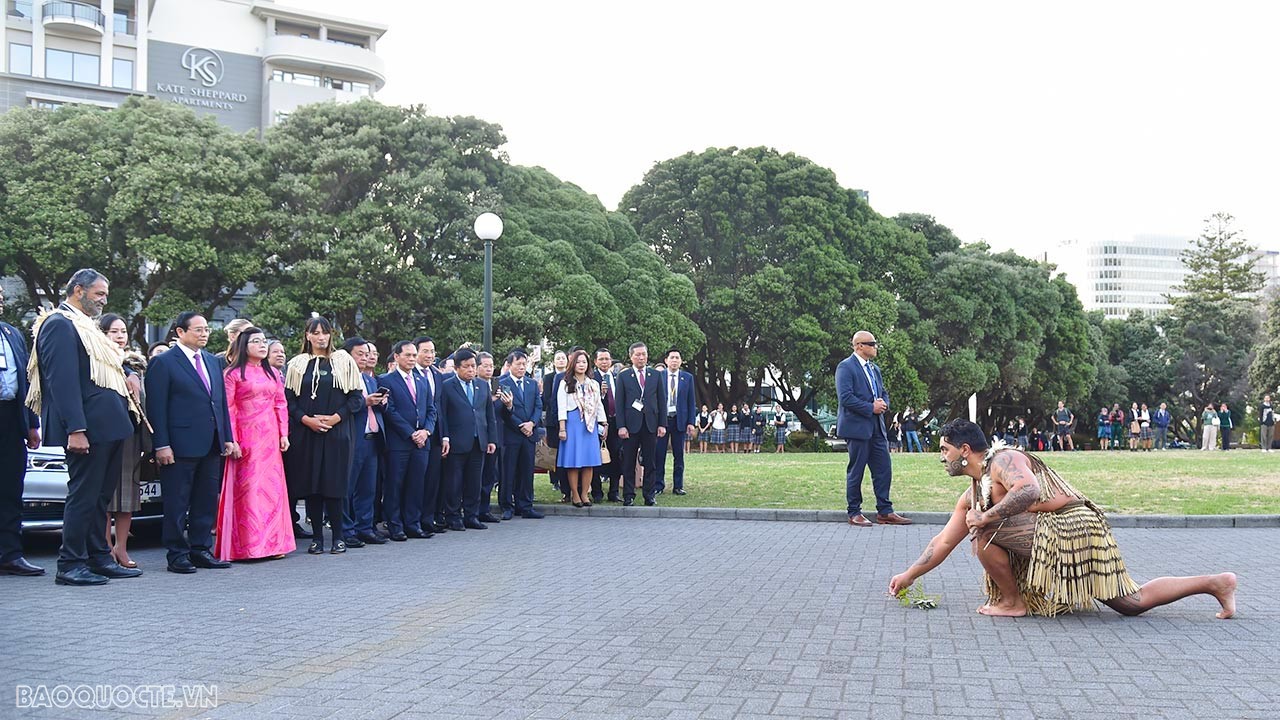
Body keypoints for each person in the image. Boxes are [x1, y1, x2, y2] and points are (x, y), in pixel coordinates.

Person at [888, 419, 1237, 619]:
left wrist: (988, 517)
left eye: (945, 450)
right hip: (1053, 533)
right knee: (1132, 604)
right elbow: (943, 541)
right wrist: (907, 576)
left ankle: (1012, 603)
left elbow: (1028, 490)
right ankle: (1215, 583)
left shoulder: (1004, 461)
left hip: (1074, 529)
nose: (942, 457)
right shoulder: (973, 492)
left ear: (965, 451)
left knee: (983, 532)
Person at [27, 270, 144, 585]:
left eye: (105, 294)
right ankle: (70, 563)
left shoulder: (87, 328)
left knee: (99, 498)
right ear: (78, 290)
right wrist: (75, 429)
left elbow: (113, 360)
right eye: (98, 293)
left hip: (109, 426)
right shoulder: (59, 325)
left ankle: (98, 557)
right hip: (88, 428)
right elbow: (61, 381)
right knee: (83, 495)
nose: (104, 300)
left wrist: (129, 370)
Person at [147, 311, 238, 574]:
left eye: (206, 329)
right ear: (180, 332)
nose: (204, 333)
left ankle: (200, 548)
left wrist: (227, 437)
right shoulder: (164, 363)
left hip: (210, 442)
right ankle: (177, 553)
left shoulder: (212, 361)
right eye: (198, 329)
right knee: (177, 501)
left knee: (206, 499)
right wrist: (161, 444)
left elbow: (219, 403)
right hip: (178, 444)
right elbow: (156, 408)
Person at [284, 317, 364, 555]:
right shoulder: (297, 364)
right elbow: (288, 401)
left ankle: (338, 537)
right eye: (315, 332)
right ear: (307, 335)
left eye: (325, 332)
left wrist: (334, 418)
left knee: (334, 484)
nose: (321, 337)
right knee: (312, 485)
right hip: (306, 433)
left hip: (337, 432)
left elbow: (356, 398)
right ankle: (317, 537)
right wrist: (307, 420)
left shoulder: (343, 360)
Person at [214, 327, 295, 561]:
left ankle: (274, 543)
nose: (262, 345)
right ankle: (248, 546)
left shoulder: (272, 374)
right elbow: (228, 408)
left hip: (270, 437)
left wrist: (283, 433)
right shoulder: (232, 374)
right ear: (243, 346)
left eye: (263, 341)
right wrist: (232, 439)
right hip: (246, 436)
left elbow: (281, 403)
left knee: (272, 489)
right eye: (256, 342)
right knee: (248, 490)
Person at [835, 330, 910, 527]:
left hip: (877, 428)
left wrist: (883, 403)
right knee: (856, 470)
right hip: (857, 429)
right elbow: (846, 398)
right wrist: (871, 407)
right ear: (859, 346)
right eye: (872, 343)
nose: (876, 347)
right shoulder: (845, 367)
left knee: (884, 469)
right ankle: (854, 512)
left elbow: (883, 392)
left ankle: (885, 511)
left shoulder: (874, 369)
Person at [0, 284, 44, 577]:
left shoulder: (12, 333)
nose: (0, 301)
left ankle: (10, 554)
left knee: (10, 490)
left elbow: (27, 381)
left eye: (1, 297)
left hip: (9, 419)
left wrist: (32, 423)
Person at [98, 314, 148, 569]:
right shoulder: (97, 360)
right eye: (113, 331)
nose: (120, 336)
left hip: (130, 435)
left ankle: (121, 548)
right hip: (105, 433)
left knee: (127, 495)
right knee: (105, 497)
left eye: (123, 331)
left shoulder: (136, 364)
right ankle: (104, 547)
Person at [378, 340, 435, 541]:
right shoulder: (386, 380)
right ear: (396, 357)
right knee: (395, 484)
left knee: (416, 484)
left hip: (422, 443)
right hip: (399, 443)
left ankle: (413, 523)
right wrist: (411, 433)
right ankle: (395, 525)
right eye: (407, 355)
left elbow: (431, 409)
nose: (411, 359)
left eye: (413, 355)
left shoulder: (422, 380)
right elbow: (390, 411)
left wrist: (426, 431)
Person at [438, 347, 497, 530]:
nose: (471, 370)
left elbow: (489, 414)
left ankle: (472, 515)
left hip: (478, 440)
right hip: (457, 442)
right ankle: (453, 516)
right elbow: (443, 415)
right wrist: (445, 438)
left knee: (474, 481)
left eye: (473, 366)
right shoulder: (447, 386)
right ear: (457, 368)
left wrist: (491, 439)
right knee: (454, 482)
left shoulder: (481, 386)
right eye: (466, 367)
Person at [342, 338, 387, 547]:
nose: (365, 357)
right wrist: (365, 402)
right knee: (347, 487)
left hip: (372, 438)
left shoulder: (369, 379)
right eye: (360, 353)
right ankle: (345, 529)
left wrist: (380, 402)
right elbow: (342, 408)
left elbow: (375, 408)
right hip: (352, 439)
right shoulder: (341, 379)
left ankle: (365, 527)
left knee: (368, 488)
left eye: (367, 353)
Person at [614, 342, 666, 506]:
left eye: (644, 354)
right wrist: (621, 426)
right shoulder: (623, 376)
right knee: (628, 461)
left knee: (650, 461)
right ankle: (629, 495)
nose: (641, 357)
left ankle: (649, 495)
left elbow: (661, 401)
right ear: (631, 357)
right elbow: (619, 403)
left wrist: (662, 424)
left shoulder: (655, 375)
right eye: (638, 354)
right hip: (630, 425)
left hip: (650, 424)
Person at [556, 349, 607, 507]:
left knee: (588, 461)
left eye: (584, 362)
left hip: (589, 425)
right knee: (574, 461)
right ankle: (575, 494)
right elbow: (561, 406)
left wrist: (604, 424)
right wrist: (562, 428)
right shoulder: (566, 382)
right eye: (578, 362)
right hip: (572, 423)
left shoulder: (593, 383)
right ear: (573, 364)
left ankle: (585, 493)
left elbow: (599, 405)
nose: (581, 365)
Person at [498, 350, 543, 519]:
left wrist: (532, 423)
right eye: (519, 364)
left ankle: (525, 505)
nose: (522, 367)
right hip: (511, 434)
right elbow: (503, 410)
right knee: (508, 471)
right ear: (510, 365)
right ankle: (507, 506)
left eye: (524, 364)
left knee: (526, 471)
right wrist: (520, 424)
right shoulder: (503, 383)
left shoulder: (532, 383)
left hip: (529, 434)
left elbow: (538, 406)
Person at [412, 336, 447, 534]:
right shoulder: (409, 374)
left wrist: (445, 436)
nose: (430, 355)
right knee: (417, 481)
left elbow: (439, 407)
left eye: (432, 351)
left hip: (434, 434)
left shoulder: (437, 375)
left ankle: (428, 518)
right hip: (416, 435)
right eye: (425, 351)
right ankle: (413, 520)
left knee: (433, 479)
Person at [654, 348, 695, 495]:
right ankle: (658, 485)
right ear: (666, 360)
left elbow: (691, 401)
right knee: (659, 454)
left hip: (680, 420)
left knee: (679, 455)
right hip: (662, 421)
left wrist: (691, 422)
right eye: (672, 358)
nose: (675, 360)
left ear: (681, 361)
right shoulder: (659, 376)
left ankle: (678, 486)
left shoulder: (687, 377)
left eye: (677, 358)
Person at [476, 351, 506, 523]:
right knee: (476, 477)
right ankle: (473, 510)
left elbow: (504, 414)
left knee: (489, 475)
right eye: (485, 366)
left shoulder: (498, 386)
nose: (489, 369)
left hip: (494, 437)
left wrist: (506, 404)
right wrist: (491, 401)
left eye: (491, 366)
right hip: (478, 437)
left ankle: (484, 510)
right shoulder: (476, 386)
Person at [542, 350, 569, 499]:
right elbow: (547, 398)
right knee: (554, 452)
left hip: (567, 421)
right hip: (553, 421)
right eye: (557, 358)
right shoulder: (549, 377)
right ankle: (555, 480)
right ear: (553, 362)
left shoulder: (571, 376)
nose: (560, 361)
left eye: (563, 358)